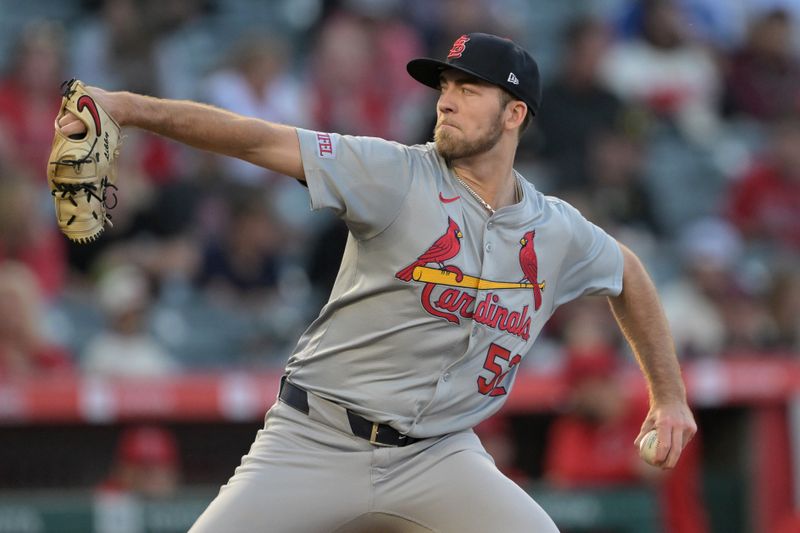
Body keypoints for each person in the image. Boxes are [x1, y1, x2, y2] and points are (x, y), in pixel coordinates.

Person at [57, 32, 696, 533]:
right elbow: (257, 140)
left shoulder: (556, 230)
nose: (445, 98)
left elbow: (628, 275)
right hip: (317, 438)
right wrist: (127, 108)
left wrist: (667, 396)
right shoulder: (393, 174)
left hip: (441, 456)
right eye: (444, 84)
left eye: (469, 89)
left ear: (514, 114)